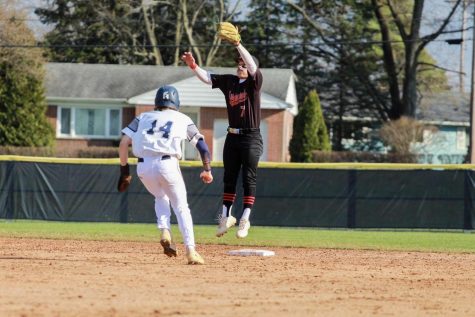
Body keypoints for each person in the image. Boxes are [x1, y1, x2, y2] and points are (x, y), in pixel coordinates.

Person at [118, 85, 213, 265]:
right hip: (167, 164)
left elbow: (123, 143)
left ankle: (164, 230)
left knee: (160, 196)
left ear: (157, 102)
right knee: (181, 207)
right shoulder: (183, 118)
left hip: (143, 167)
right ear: (176, 102)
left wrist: (124, 172)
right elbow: (201, 145)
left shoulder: (142, 117)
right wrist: (207, 168)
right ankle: (191, 251)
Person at [181, 40, 263, 239]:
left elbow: (251, 66)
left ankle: (245, 218)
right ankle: (226, 216)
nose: (240, 65)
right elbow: (208, 78)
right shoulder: (229, 82)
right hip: (232, 136)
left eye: (243, 63)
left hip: (251, 137)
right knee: (229, 177)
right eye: (238, 63)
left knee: (248, 178)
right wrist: (194, 66)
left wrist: (238, 44)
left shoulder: (254, 82)